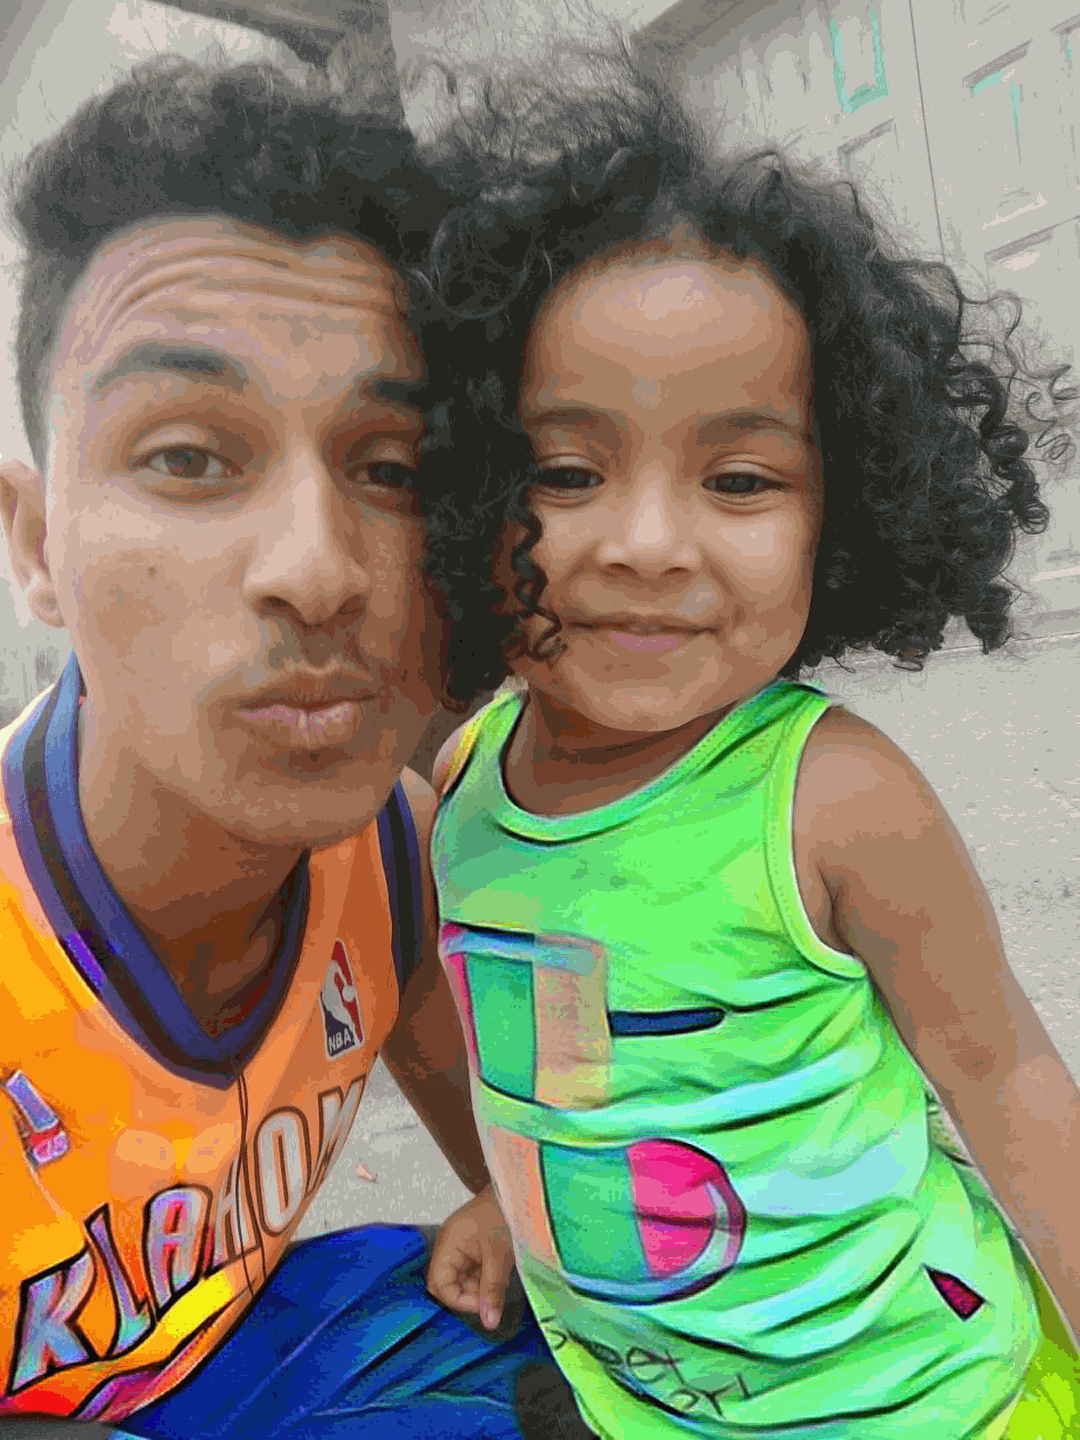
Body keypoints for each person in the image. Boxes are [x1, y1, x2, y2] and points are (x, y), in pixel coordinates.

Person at [420, 52, 1080, 1440]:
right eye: (565, 471)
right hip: (636, 1404)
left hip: (916, 1404)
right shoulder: (465, 779)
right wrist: (509, 1196)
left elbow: (1010, 1081)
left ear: (847, 512)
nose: (649, 544)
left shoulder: (835, 799)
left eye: (738, 479)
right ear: (459, 482)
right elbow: (547, 1064)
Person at [0, 54, 549, 1440]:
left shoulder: (396, 853)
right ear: (36, 543)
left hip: (246, 1359)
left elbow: (538, 1179)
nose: (318, 569)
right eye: (188, 456)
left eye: (392, 469)